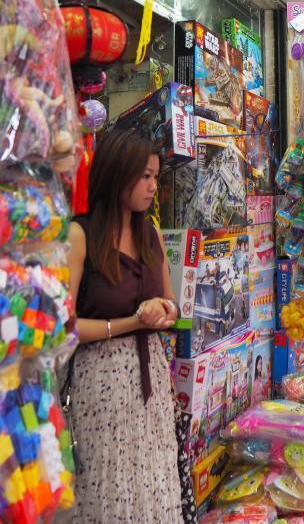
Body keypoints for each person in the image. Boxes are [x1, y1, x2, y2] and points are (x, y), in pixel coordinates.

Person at [66, 128, 186, 522]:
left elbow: (173, 308)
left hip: (151, 384)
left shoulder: (148, 233)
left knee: (153, 485)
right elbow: (63, 326)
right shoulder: (80, 235)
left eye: (156, 176)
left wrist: (161, 309)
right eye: (145, 176)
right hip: (101, 384)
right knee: (109, 489)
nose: (153, 186)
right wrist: (130, 322)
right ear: (118, 174)